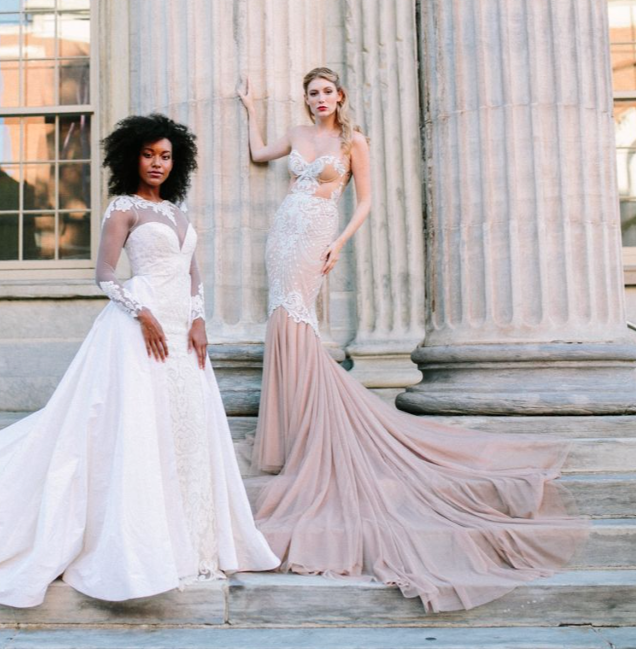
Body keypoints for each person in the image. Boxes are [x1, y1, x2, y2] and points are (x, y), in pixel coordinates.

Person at [0, 113, 278, 608]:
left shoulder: (179, 213)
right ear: (131, 158)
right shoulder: (124, 208)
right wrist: (142, 314)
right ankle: (142, 548)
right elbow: (104, 275)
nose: (157, 163)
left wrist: (200, 320)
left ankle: (192, 539)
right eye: (148, 154)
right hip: (139, 330)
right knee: (136, 429)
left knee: (182, 430)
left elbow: (193, 275)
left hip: (184, 334)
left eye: (165, 156)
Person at [237, 67, 587, 613]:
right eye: (312, 93)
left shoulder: (354, 141)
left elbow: (366, 202)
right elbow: (260, 154)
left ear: (340, 96)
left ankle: (309, 425)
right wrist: (249, 107)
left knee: (300, 321)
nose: (320, 99)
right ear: (305, 99)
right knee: (283, 322)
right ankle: (288, 431)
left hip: (317, 234)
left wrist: (338, 246)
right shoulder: (297, 134)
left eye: (327, 91)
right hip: (284, 230)